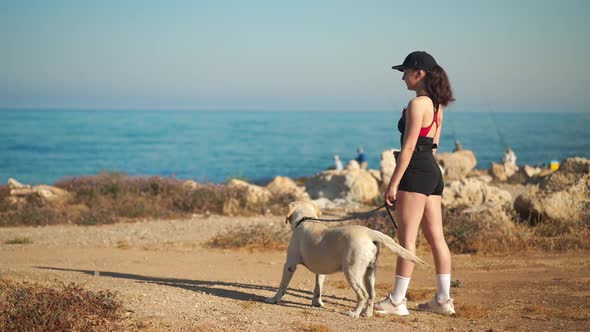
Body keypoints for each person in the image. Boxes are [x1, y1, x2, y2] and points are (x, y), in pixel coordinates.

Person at [374, 51, 456, 316]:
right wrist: (425, 172)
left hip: (415, 172)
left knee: (406, 240)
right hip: (432, 172)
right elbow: (433, 146)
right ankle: (443, 301)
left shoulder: (416, 104)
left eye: (405, 72)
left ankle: (397, 301)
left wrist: (394, 183)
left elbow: (408, 147)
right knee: (437, 239)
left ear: (419, 74)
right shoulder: (436, 105)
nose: (403, 78)